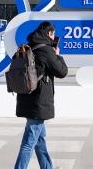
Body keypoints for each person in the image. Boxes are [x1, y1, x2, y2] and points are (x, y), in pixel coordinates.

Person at [14, 21, 68, 169]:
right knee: (29, 143)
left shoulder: (29, 47)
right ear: (50, 33)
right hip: (39, 102)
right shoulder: (46, 50)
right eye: (53, 34)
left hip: (26, 97)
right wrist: (58, 56)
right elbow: (62, 72)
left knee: (40, 140)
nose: (54, 37)